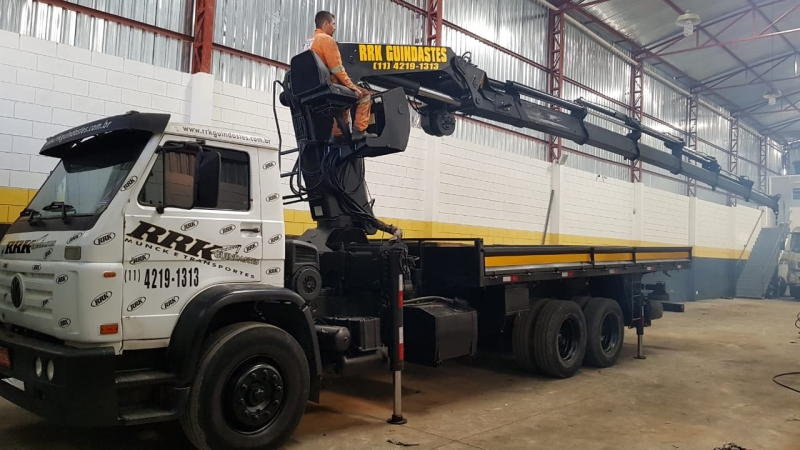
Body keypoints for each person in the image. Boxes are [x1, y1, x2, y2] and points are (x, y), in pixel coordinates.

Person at [303, 10, 376, 141]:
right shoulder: (327, 40)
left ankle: (338, 133)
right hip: (327, 84)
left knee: (344, 99)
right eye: (333, 24)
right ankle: (359, 130)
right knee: (364, 94)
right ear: (326, 24)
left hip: (311, 88)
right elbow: (337, 68)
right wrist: (353, 87)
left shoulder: (309, 42)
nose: (335, 28)